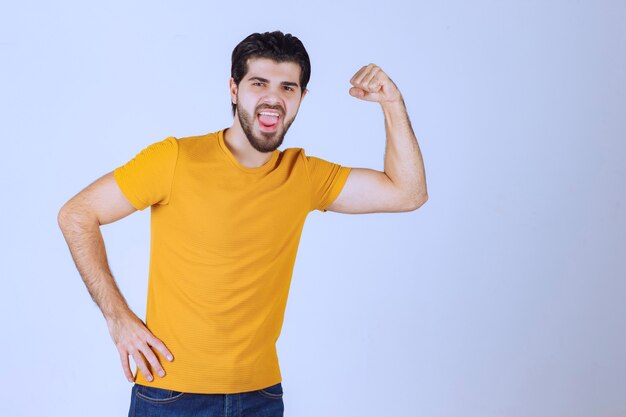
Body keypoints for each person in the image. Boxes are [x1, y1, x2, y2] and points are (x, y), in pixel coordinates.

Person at [57, 30, 428, 417]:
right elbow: (77, 214)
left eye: (288, 87)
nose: (274, 97)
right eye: (259, 83)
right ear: (234, 89)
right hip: (170, 396)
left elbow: (408, 192)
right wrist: (119, 319)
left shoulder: (303, 175)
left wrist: (392, 104)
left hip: (260, 396)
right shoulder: (174, 160)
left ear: (302, 98)